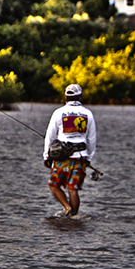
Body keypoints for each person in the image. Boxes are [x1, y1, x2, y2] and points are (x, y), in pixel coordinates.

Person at [42, 83, 96, 217]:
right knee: (73, 189)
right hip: (80, 157)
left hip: (62, 158)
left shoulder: (58, 113)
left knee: (53, 185)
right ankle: (74, 217)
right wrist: (89, 158)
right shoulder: (88, 114)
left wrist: (46, 156)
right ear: (80, 96)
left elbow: (50, 136)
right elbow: (92, 139)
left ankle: (67, 208)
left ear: (65, 97)